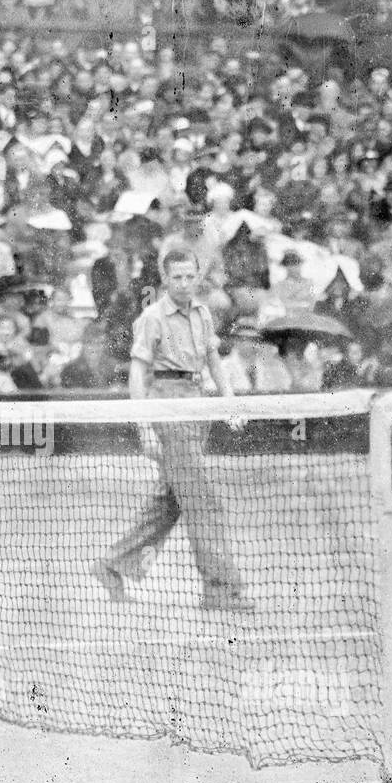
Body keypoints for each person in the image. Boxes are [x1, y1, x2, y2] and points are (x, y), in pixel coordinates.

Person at [93, 249, 253, 613]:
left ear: (198, 277)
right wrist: (144, 427)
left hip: (198, 404)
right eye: (176, 277)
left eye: (189, 276)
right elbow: (137, 373)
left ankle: (112, 565)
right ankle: (221, 590)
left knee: (169, 501)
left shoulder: (204, 313)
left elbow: (214, 361)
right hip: (167, 404)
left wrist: (228, 404)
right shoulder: (151, 317)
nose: (183, 283)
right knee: (202, 502)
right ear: (165, 279)